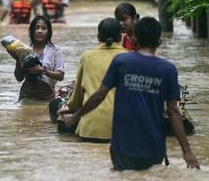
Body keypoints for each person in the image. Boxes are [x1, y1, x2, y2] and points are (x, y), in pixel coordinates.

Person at [63, 17, 200, 171]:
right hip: (153, 146)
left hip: (123, 146)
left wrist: (75, 116)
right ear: (159, 42)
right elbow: (174, 111)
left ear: (134, 38)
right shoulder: (168, 69)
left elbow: (98, 96)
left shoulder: (121, 62)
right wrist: (187, 151)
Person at [57, 18, 128, 142]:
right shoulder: (130, 57)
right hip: (123, 130)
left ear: (98, 37)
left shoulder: (87, 57)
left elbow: (77, 96)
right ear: (120, 36)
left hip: (91, 129)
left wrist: (69, 107)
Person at [14, 15, 64, 100]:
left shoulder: (55, 50)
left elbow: (60, 76)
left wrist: (43, 71)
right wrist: (18, 59)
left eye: (44, 28)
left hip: (47, 97)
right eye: (36, 28)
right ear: (31, 31)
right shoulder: (25, 49)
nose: (39, 31)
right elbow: (19, 78)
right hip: (26, 96)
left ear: (49, 32)